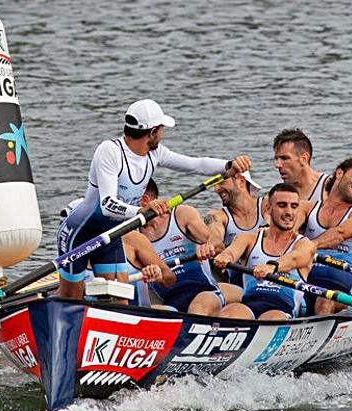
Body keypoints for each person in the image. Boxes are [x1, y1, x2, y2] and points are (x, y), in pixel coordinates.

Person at [56, 98, 250, 298]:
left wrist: (228, 165)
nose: (163, 134)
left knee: (117, 300)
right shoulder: (110, 151)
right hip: (79, 234)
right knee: (71, 300)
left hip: (112, 235)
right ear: (152, 132)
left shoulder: (155, 153)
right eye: (162, 129)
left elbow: (196, 164)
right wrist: (140, 211)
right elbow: (107, 205)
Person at [213, 183, 316, 320]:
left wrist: (272, 266)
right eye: (282, 205)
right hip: (249, 305)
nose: (289, 212)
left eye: (294, 206)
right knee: (231, 311)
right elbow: (233, 250)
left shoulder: (304, 244)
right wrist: (225, 256)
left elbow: (295, 258)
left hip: (281, 310)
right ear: (268, 209)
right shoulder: (249, 238)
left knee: (271, 318)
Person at [138, 180, 228, 315]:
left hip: (205, 293)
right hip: (171, 303)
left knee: (198, 307)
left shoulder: (181, 214)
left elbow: (218, 245)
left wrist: (209, 246)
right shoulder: (132, 236)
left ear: (144, 201)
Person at [303, 158, 352, 314]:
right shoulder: (307, 208)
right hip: (303, 285)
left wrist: (306, 248)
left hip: (341, 296)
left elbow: (339, 234)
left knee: (325, 299)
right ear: (340, 173)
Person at [203, 170, 265, 286]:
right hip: (239, 275)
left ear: (241, 182)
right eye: (214, 185)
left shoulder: (267, 205)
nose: (216, 189)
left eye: (221, 182)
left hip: (269, 269)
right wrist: (213, 246)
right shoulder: (215, 216)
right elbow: (215, 236)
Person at [273, 128, 330, 202]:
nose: (277, 165)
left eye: (284, 158)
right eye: (276, 159)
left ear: (304, 159)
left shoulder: (329, 188)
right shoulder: (279, 194)